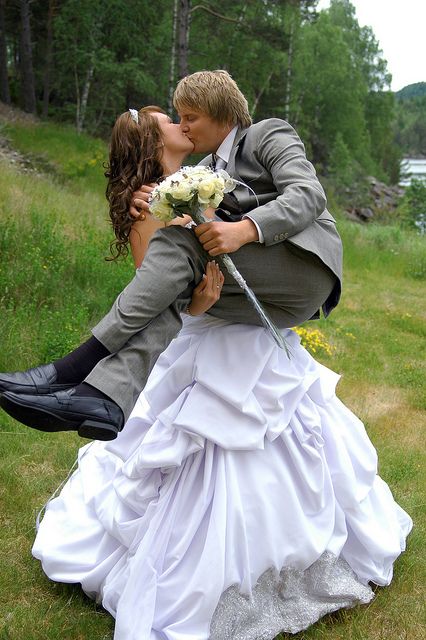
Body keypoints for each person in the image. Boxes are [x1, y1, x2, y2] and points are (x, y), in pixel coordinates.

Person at [6, 95, 412, 638]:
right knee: (199, 450)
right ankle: (88, 383)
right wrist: (195, 287)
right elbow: (167, 298)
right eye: (171, 123)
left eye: (184, 117)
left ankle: (83, 377)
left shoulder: (214, 172)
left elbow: (236, 243)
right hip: (204, 336)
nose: (182, 125)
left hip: (246, 325)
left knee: (279, 437)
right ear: (155, 145)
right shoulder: (147, 206)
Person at [0, 70, 342, 442]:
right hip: (263, 296)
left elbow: (308, 194)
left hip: (305, 268)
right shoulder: (206, 170)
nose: (184, 126)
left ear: (222, 113)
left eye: (190, 117)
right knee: (173, 285)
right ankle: (103, 398)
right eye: (179, 119)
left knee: (180, 243)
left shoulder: (267, 134)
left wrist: (242, 230)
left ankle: (73, 366)